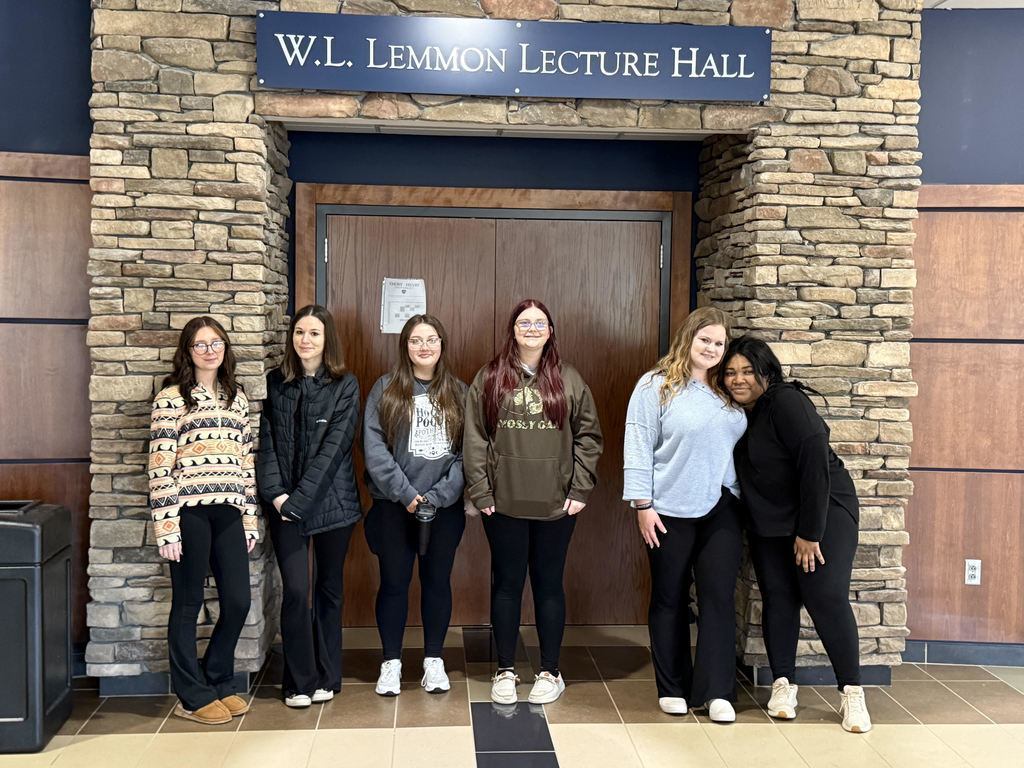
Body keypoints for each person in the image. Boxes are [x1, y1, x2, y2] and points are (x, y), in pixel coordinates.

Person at [720, 335, 872, 733]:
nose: (738, 379)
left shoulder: (786, 402)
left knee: (825, 596)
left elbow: (814, 465)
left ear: (767, 372)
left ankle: (852, 692)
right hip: (769, 520)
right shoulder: (735, 415)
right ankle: (783, 685)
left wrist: (809, 532)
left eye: (747, 371)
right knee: (779, 598)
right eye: (730, 373)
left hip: (822, 512)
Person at [464, 299, 603, 706]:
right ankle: (505, 670)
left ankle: (549, 671)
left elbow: (589, 437)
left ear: (550, 331)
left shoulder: (569, 378)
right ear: (512, 330)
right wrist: (481, 491)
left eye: (539, 323)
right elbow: (474, 438)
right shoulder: (490, 377)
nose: (531, 329)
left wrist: (579, 490)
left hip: (557, 506)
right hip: (501, 504)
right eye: (524, 323)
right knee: (507, 585)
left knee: (548, 585)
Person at [623, 306, 746, 723]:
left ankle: (717, 691)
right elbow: (637, 444)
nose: (711, 348)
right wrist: (642, 505)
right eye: (705, 340)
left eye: (719, 343)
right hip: (667, 509)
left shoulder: (727, 390)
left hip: (721, 506)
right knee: (669, 595)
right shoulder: (655, 386)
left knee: (717, 597)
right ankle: (672, 686)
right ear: (688, 338)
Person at [148, 316, 258, 725]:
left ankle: (217, 677)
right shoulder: (171, 399)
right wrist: (167, 529)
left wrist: (250, 519)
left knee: (239, 600)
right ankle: (192, 696)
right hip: (188, 514)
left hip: (229, 511)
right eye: (200, 344)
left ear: (225, 348)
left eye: (216, 343)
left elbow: (246, 463)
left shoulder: (237, 399)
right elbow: (159, 467)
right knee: (188, 602)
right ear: (188, 351)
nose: (210, 351)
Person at [257, 305, 360, 708]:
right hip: (283, 505)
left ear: (327, 339)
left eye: (314, 333)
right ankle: (299, 681)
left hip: (333, 504)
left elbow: (335, 449)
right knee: (296, 591)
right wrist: (277, 495)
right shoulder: (275, 382)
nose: (306, 340)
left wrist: (298, 502)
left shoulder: (345, 385)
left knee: (329, 590)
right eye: (300, 332)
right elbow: (264, 444)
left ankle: (327, 676)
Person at [363, 314, 467, 697]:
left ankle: (433, 660)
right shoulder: (385, 389)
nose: (424, 347)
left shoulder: (460, 392)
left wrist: (436, 497)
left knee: (437, 582)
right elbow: (374, 448)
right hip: (394, 507)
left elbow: (468, 454)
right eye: (415, 340)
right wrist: (406, 494)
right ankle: (391, 662)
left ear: (442, 345)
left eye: (431, 339)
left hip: (443, 509)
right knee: (394, 583)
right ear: (405, 346)